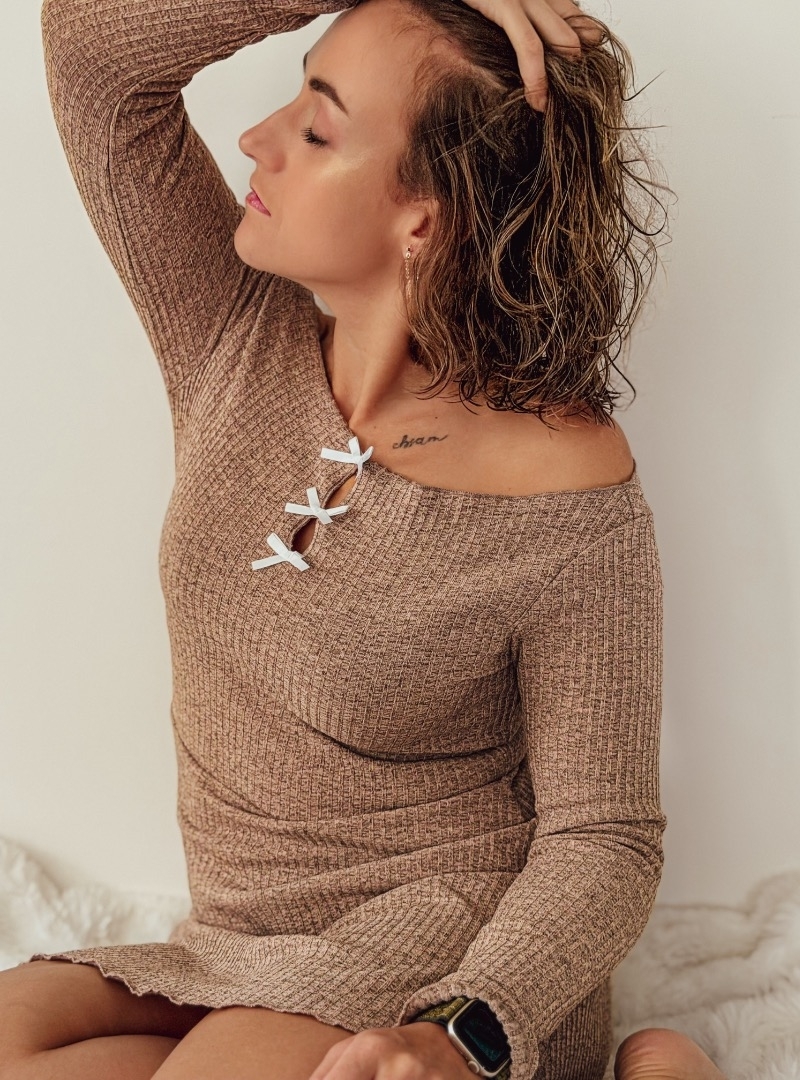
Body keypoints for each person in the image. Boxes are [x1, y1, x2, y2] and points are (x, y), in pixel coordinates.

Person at [0, 0, 728, 1077]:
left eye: (317, 127)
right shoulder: (231, 336)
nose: (257, 136)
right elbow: (92, 54)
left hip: (449, 956)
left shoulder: (568, 492)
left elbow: (605, 839)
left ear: (422, 220)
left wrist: (465, 1031)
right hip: (237, 944)